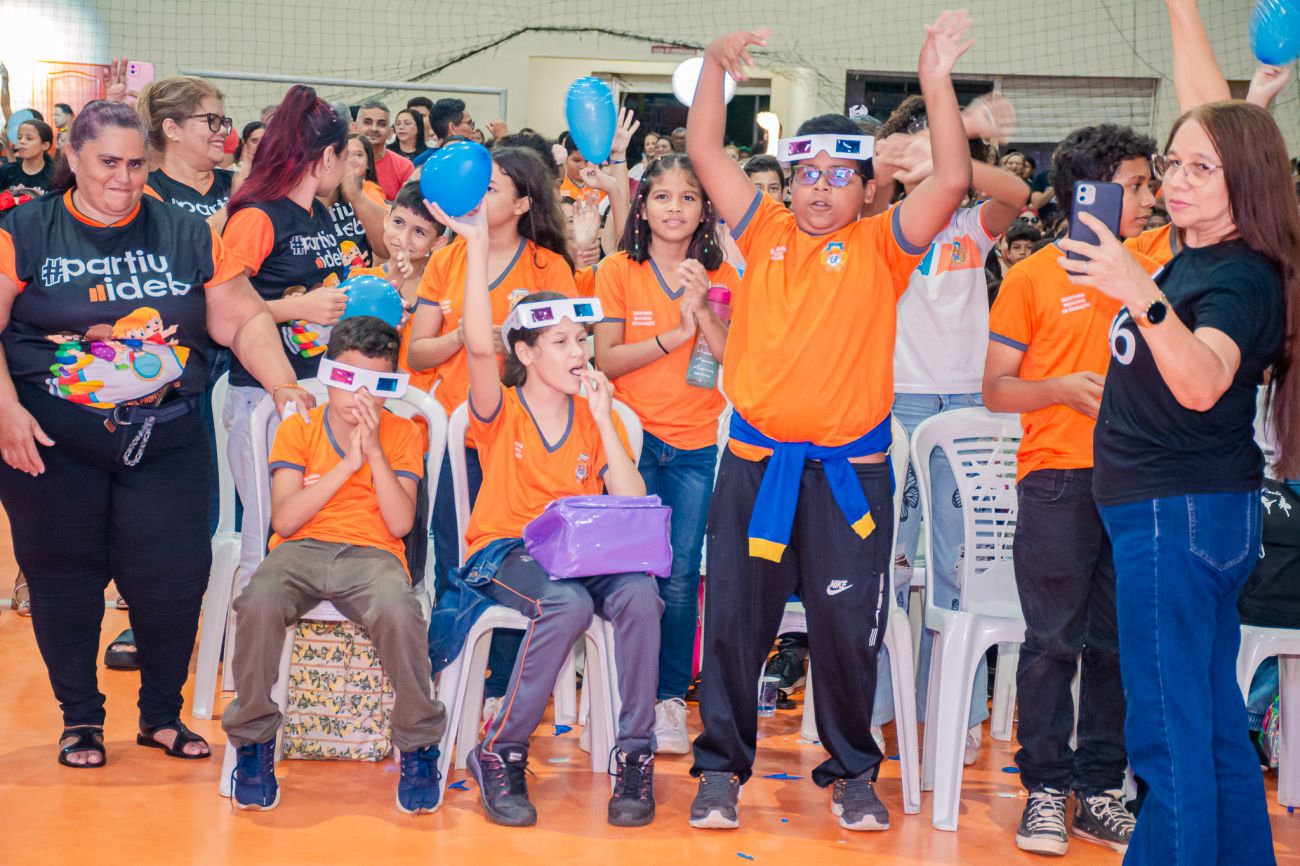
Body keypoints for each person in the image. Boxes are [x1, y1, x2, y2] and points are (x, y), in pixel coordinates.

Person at [685, 15, 974, 832]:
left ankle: (852, 771)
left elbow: (953, 179)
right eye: (806, 175)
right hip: (755, 470)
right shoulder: (763, 229)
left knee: (849, 632)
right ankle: (720, 770)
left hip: (851, 477)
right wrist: (714, 68)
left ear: (867, 189)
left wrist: (934, 80)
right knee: (735, 625)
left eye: (839, 177)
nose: (819, 189)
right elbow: (705, 149)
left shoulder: (885, 247)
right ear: (787, 184)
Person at [0, 99, 312, 769]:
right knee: (64, 583)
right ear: (73, 157)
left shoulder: (185, 231)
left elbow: (241, 318)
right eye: (108, 162)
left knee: (172, 578)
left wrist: (284, 384)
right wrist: (5, 410)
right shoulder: (25, 229)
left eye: (137, 164)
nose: (124, 178)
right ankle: (81, 720)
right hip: (51, 444)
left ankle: (161, 717)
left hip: (164, 437)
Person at [1059, 95, 1294, 866]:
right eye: (1173, 163)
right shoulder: (1195, 257)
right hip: (1183, 512)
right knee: (1212, 724)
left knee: (1166, 732)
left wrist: (1137, 291)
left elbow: (1202, 382)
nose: (1176, 181)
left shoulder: (1239, 277)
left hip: (1177, 516)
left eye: (1202, 168)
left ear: (1245, 181)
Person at [429, 192, 660, 828]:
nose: (579, 351)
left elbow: (632, 506)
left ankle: (634, 754)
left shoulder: (595, 413)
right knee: (566, 603)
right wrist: (478, 246)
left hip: (585, 551)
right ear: (526, 354)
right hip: (508, 550)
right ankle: (500, 749)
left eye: (582, 339)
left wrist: (606, 419)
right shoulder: (498, 409)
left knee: (641, 594)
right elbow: (481, 348)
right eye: (560, 341)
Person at [984, 122, 1160, 857]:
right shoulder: (1031, 278)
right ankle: (1046, 791)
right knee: (1053, 641)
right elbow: (996, 390)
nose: (1151, 198)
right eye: (1138, 185)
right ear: (1091, 195)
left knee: (1118, 645)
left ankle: (1099, 789)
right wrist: (1057, 388)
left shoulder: (1154, 263)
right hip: (1056, 478)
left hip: (1139, 482)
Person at [224, 316, 446, 814]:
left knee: (399, 610)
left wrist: (374, 454)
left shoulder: (403, 434)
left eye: (375, 384)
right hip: (300, 549)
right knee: (257, 602)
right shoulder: (299, 428)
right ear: (328, 375)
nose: (359, 397)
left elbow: (400, 523)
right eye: (349, 379)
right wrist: (347, 465)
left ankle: (417, 744)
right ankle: (253, 742)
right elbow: (285, 518)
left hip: (373, 554)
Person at [866, 92, 1027, 767]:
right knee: (888, 564)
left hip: (966, 407)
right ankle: (874, 709)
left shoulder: (971, 225)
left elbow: (1017, 193)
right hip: (895, 404)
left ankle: (954, 708)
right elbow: (875, 171)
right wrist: (909, 154)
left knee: (962, 563)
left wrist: (947, 155)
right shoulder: (880, 222)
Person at [408, 147, 577, 718]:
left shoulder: (549, 268)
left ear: (524, 203)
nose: (478, 195)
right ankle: (448, 676)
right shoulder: (446, 259)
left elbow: (564, 354)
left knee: (519, 559)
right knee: (456, 558)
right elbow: (418, 351)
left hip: (520, 441)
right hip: (460, 436)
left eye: (492, 187)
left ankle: (505, 687)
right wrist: (463, 335)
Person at [593, 153, 739, 755]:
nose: (674, 208)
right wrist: (674, 336)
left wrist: (702, 310)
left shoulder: (723, 272)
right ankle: (620, 695)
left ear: (705, 210)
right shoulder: (617, 270)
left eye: (687, 197)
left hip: (696, 444)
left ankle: (669, 700)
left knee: (679, 578)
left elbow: (733, 359)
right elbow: (606, 359)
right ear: (642, 207)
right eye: (661, 196)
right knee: (629, 573)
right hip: (628, 443)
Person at [221, 85, 350, 607]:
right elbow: (219, 305)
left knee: (302, 529)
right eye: (345, 154)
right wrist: (297, 308)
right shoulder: (257, 217)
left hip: (313, 394)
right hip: (263, 396)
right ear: (327, 157)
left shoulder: (318, 213)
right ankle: (248, 642)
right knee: (268, 533)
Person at [347, 181, 448, 394]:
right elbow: (354, 342)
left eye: (419, 232)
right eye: (398, 222)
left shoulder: (443, 287)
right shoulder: (361, 280)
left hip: (426, 401)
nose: (403, 238)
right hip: (370, 394)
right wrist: (393, 280)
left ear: (438, 243)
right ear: (386, 218)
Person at [137, 76, 237, 230]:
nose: (223, 130)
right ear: (172, 129)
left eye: (223, 122)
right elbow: (181, 242)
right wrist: (235, 203)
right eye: (212, 120)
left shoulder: (236, 182)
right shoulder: (147, 190)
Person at [317, 134, 388, 271]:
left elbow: (385, 249)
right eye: (345, 155)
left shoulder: (363, 190)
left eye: (358, 155)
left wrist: (355, 195)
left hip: (360, 276)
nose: (350, 161)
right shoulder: (309, 193)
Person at [353, 100, 412, 200]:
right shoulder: (340, 162)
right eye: (367, 122)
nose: (374, 128)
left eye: (381, 124)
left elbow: (407, 206)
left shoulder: (404, 167)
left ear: (390, 133)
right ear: (354, 128)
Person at [0, 119, 55, 197]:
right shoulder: (6, 171)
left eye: (29, 138)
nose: (22, 141)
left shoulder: (55, 175)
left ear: (45, 145)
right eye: (19, 138)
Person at [558, 131, 606, 205]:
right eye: (576, 161)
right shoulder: (558, 188)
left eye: (587, 161)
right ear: (566, 158)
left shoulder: (603, 186)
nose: (582, 166)